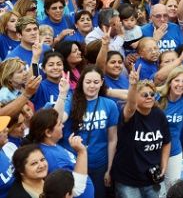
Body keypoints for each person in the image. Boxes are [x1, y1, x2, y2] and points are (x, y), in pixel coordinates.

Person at [52, 65, 119, 198]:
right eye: (88, 82)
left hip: (99, 164)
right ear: (81, 82)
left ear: (102, 82)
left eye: (96, 82)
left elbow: (112, 139)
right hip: (73, 163)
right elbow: (57, 120)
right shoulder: (71, 100)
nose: (92, 86)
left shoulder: (110, 104)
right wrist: (62, 94)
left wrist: (109, 169)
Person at [110, 66, 171, 198]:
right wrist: (133, 86)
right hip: (128, 180)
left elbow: (166, 142)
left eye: (152, 94)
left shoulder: (159, 115)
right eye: (144, 95)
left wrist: (164, 166)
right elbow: (131, 106)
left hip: (152, 178)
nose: (149, 97)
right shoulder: (129, 115)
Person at [24, 109, 94, 198]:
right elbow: (74, 188)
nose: (63, 126)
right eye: (59, 124)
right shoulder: (52, 158)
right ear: (48, 132)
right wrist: (82, 152)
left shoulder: (51, 145)